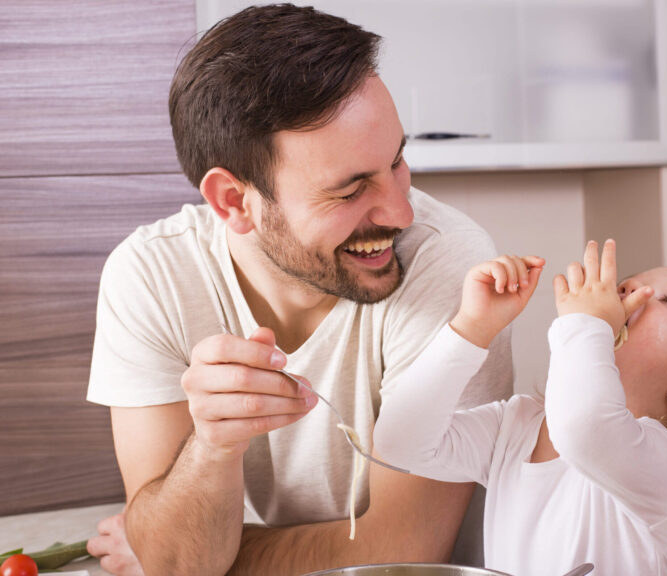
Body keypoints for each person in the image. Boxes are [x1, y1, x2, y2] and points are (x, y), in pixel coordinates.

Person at [84, 4, 514, 576]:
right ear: (234, 202)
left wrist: (212, 556)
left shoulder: (450, 267)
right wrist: (213, 448)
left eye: (397, 161)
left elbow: (404, 556)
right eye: (350, 189)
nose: (401, 210)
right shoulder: (151, 277)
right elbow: (175, 561)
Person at [374, 239, 667, 576]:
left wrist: (586, 324)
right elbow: (399, 443)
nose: (630, 289)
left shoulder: (663, 461)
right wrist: (472, 327)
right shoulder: (517, 425)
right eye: (631, 283)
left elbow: (585, 428)